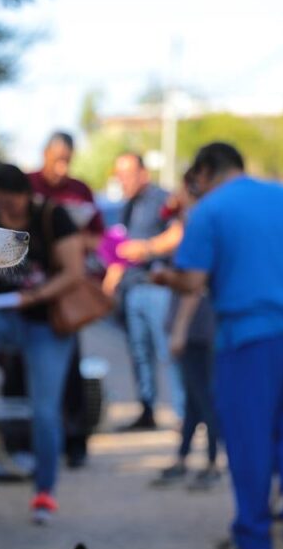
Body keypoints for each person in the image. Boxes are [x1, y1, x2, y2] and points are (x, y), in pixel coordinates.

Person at [154, 142, 283, 549]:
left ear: (207, 171)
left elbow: (194, 281)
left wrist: (165, 278)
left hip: (251, 334)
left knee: (249, 435)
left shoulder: (209, 211)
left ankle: (253, 537)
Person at [0, 163, 85, 524]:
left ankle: (44, 491)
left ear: (25, 193)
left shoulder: (54, 217)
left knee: (45, 412)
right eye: (1, 203)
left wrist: (34, 297)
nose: (8, 210)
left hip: (47, 323)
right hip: (7, 316)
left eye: (13, 202)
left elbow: (74, 271)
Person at [28, 131, 103, 467]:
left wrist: (78, 240)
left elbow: (98, 236)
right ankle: (32, 440)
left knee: (70, 366)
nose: (61, 167)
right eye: (56, 158)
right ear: (44, 154)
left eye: (67, 160)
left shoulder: (79, 190)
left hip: (66, 292)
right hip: (28, 287)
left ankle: (74, 438)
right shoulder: (27, 184)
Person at [149, 177, 221, 491]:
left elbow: (194, 287)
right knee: (194, 399)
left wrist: (178, 331)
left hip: (196, 327)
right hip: (199, 326)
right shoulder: (200, 221)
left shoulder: (197, 222)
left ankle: (212, 463)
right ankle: (184, 458)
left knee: (204, 399)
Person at [111, 152, 181, 430]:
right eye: (119, 175)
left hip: (157, 287)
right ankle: (147, 409)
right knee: (139, 354)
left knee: (168, 352)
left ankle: (183, 414)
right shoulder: (127, 205)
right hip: (133, 289)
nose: (122, 181)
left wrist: (147, 248)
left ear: (143, 174)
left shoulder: (162, 199)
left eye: (127, 174)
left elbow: (179, 234)